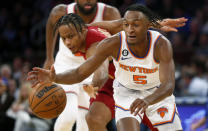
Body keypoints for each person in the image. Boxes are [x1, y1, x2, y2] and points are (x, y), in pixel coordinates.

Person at [28, 4, 185, 130]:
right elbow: (121, 23)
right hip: (116, 83)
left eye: (71, 37)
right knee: (93, 118)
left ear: (82, 32)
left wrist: (93, 84)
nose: (68, 43)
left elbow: (100, 72)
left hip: (137, 80)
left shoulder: (93, 47)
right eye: (64, 39)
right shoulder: (93, 26)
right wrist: (158, 23)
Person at [44, 0, 121, 131]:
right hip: (66, 65)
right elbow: (51, 25)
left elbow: (117, 41)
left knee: (85, 124)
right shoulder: (61, 12)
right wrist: (49, 57)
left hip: (92, 68)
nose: (87, 0)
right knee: (68, 116)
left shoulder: (109, 13)